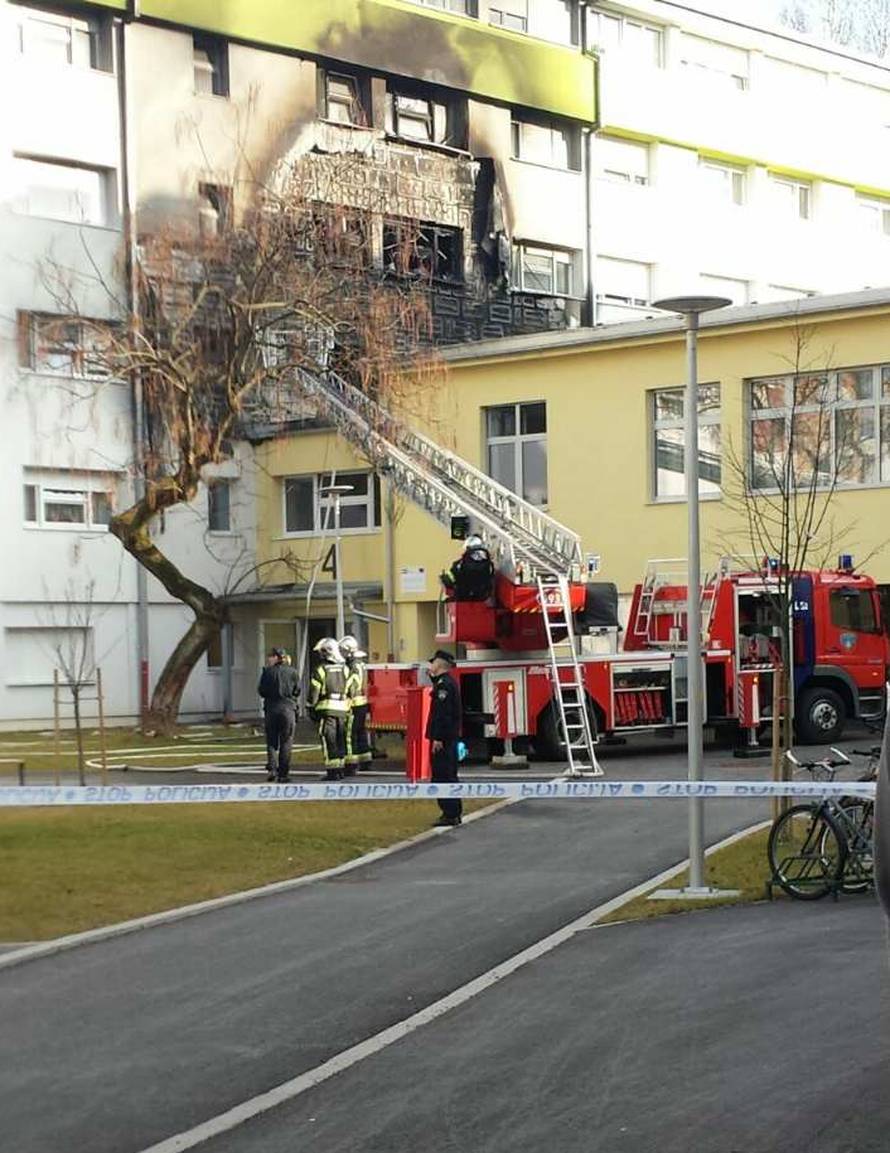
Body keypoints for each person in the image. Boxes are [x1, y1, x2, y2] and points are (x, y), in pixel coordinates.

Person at [426, 649, 463, 827]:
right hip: (449, 738)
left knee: (443, 775)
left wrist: (438, 738)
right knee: (448, 774)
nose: (430, 665)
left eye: (433, 662)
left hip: (444, 740)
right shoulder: (445, 683)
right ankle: (452, 812)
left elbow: (443, 714)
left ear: (439, 664)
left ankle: (450, 813)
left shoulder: (444, 685)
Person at [308, 637, 351, 781]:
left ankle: (332, 771)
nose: (321, 655)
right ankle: (340, 769)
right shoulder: (345, 668)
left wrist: (310, 706)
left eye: (322, 652)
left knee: (329, 739)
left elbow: (314, 691)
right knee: (340, 739)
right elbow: (350, 688)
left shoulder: (320, 670)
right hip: (343, 709)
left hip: (327, 710)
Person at [257, 647, 300, 782]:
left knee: (271, 741)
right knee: (286, 741)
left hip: (271, 709)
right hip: (288, 709)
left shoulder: (267, 672)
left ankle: (272, 769)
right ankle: (283, 774)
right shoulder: (293, 672)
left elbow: (261, 691)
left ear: (276, 657)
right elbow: (297, 690)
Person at [340, 635, 372, 772]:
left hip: (352, 703)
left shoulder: (351, 666)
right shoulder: (361, 664)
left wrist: (344, 695)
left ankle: (350, 764)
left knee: (349, 734)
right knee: (361, 732)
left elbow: (350, 686)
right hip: (362, 702)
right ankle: (365, 760)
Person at [440, 535, 495, 602]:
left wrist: (444, 578)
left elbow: (450, 579)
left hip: (464, 597)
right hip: (482, 596)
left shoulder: (460, 564)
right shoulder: (487, 563)